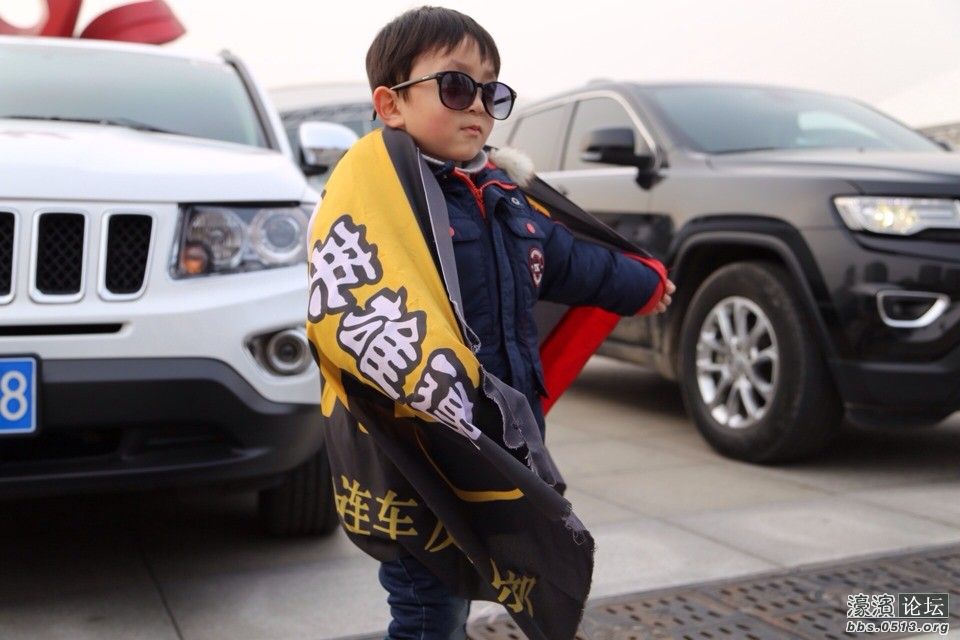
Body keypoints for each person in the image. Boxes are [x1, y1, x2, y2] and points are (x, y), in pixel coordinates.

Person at [312, 6, 675, 639]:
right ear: (390, 104)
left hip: (499, 439)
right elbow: (349, 310)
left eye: (491, 90)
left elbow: (573, 262)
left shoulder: (508, 199)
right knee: (428, 606)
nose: (477, 105)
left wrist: (646, 286)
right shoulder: (374, 208)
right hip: (418, 451)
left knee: (476, 576)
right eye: (456, 86)